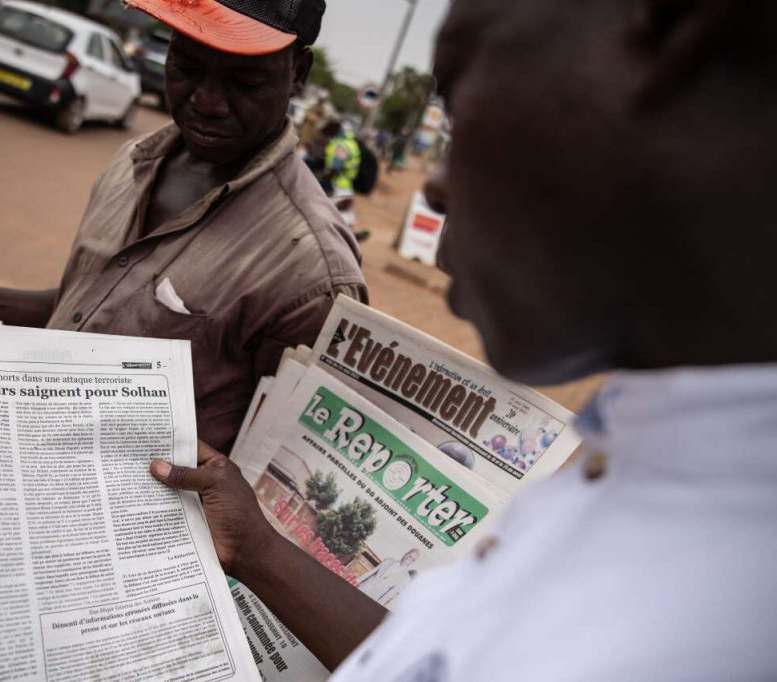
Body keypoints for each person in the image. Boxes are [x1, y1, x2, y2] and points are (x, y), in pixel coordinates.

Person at [149, 0, 777, 678]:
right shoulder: (649, 470)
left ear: (682, 39)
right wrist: (260, 552)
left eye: (457, 115)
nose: (437, 189)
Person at [0, 0, 367, 455]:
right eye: (187, 66)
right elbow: (94, 309)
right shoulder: (133, 161)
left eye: (245, 82)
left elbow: (277, 468)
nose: (206, 102)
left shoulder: (312, 270)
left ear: (297, 73)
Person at [319, 117, 361, 197]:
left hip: (337, 186)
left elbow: (335, 168)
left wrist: (322, 180)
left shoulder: (341, 145)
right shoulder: (350, 142)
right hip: (345, 185)